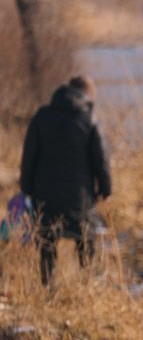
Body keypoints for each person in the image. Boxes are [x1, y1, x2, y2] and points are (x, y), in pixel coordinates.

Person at [19, 75, 112, 285]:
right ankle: (87, 284)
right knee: (85, 239)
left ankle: (48, 287)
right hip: (81, 198)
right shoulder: (89, 119)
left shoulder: (42, 116)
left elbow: (29, 156)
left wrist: (26, 188)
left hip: (45, 196)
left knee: (47, 243)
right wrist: (106, 189)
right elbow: (101, 159)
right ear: (87, 94)